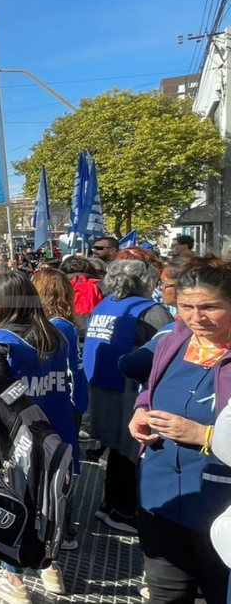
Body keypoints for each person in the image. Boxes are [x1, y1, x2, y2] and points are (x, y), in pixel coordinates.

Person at [126, 257, 231, 603]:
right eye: (186, 306)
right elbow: (150, 386)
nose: (196, 317)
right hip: (161, 492)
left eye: (210, 307)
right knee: (166, 595)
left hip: (220, 504)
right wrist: (141, 410)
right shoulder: (173, 339)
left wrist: (204, 436)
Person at [0, 272, 75, 601]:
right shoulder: (57, 334)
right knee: (52, 501)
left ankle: (13, 579)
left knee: (20, 502)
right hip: (58, 435)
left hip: (20, 440)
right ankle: (51, 569)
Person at [85, 259, 173, 533]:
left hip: (101, 384)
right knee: (131, 450)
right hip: (130, 390)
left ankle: (109, 504)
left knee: (116, 449)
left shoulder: (106, 304)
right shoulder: (151, 311)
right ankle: (124, 510)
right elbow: (172, 341)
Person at [32, 266, 89, 547]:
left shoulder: (57, 328)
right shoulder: (66, 324)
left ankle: (63, 531)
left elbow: (71, 371)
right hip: (64, 406)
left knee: (57, 471)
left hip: (55, 406)